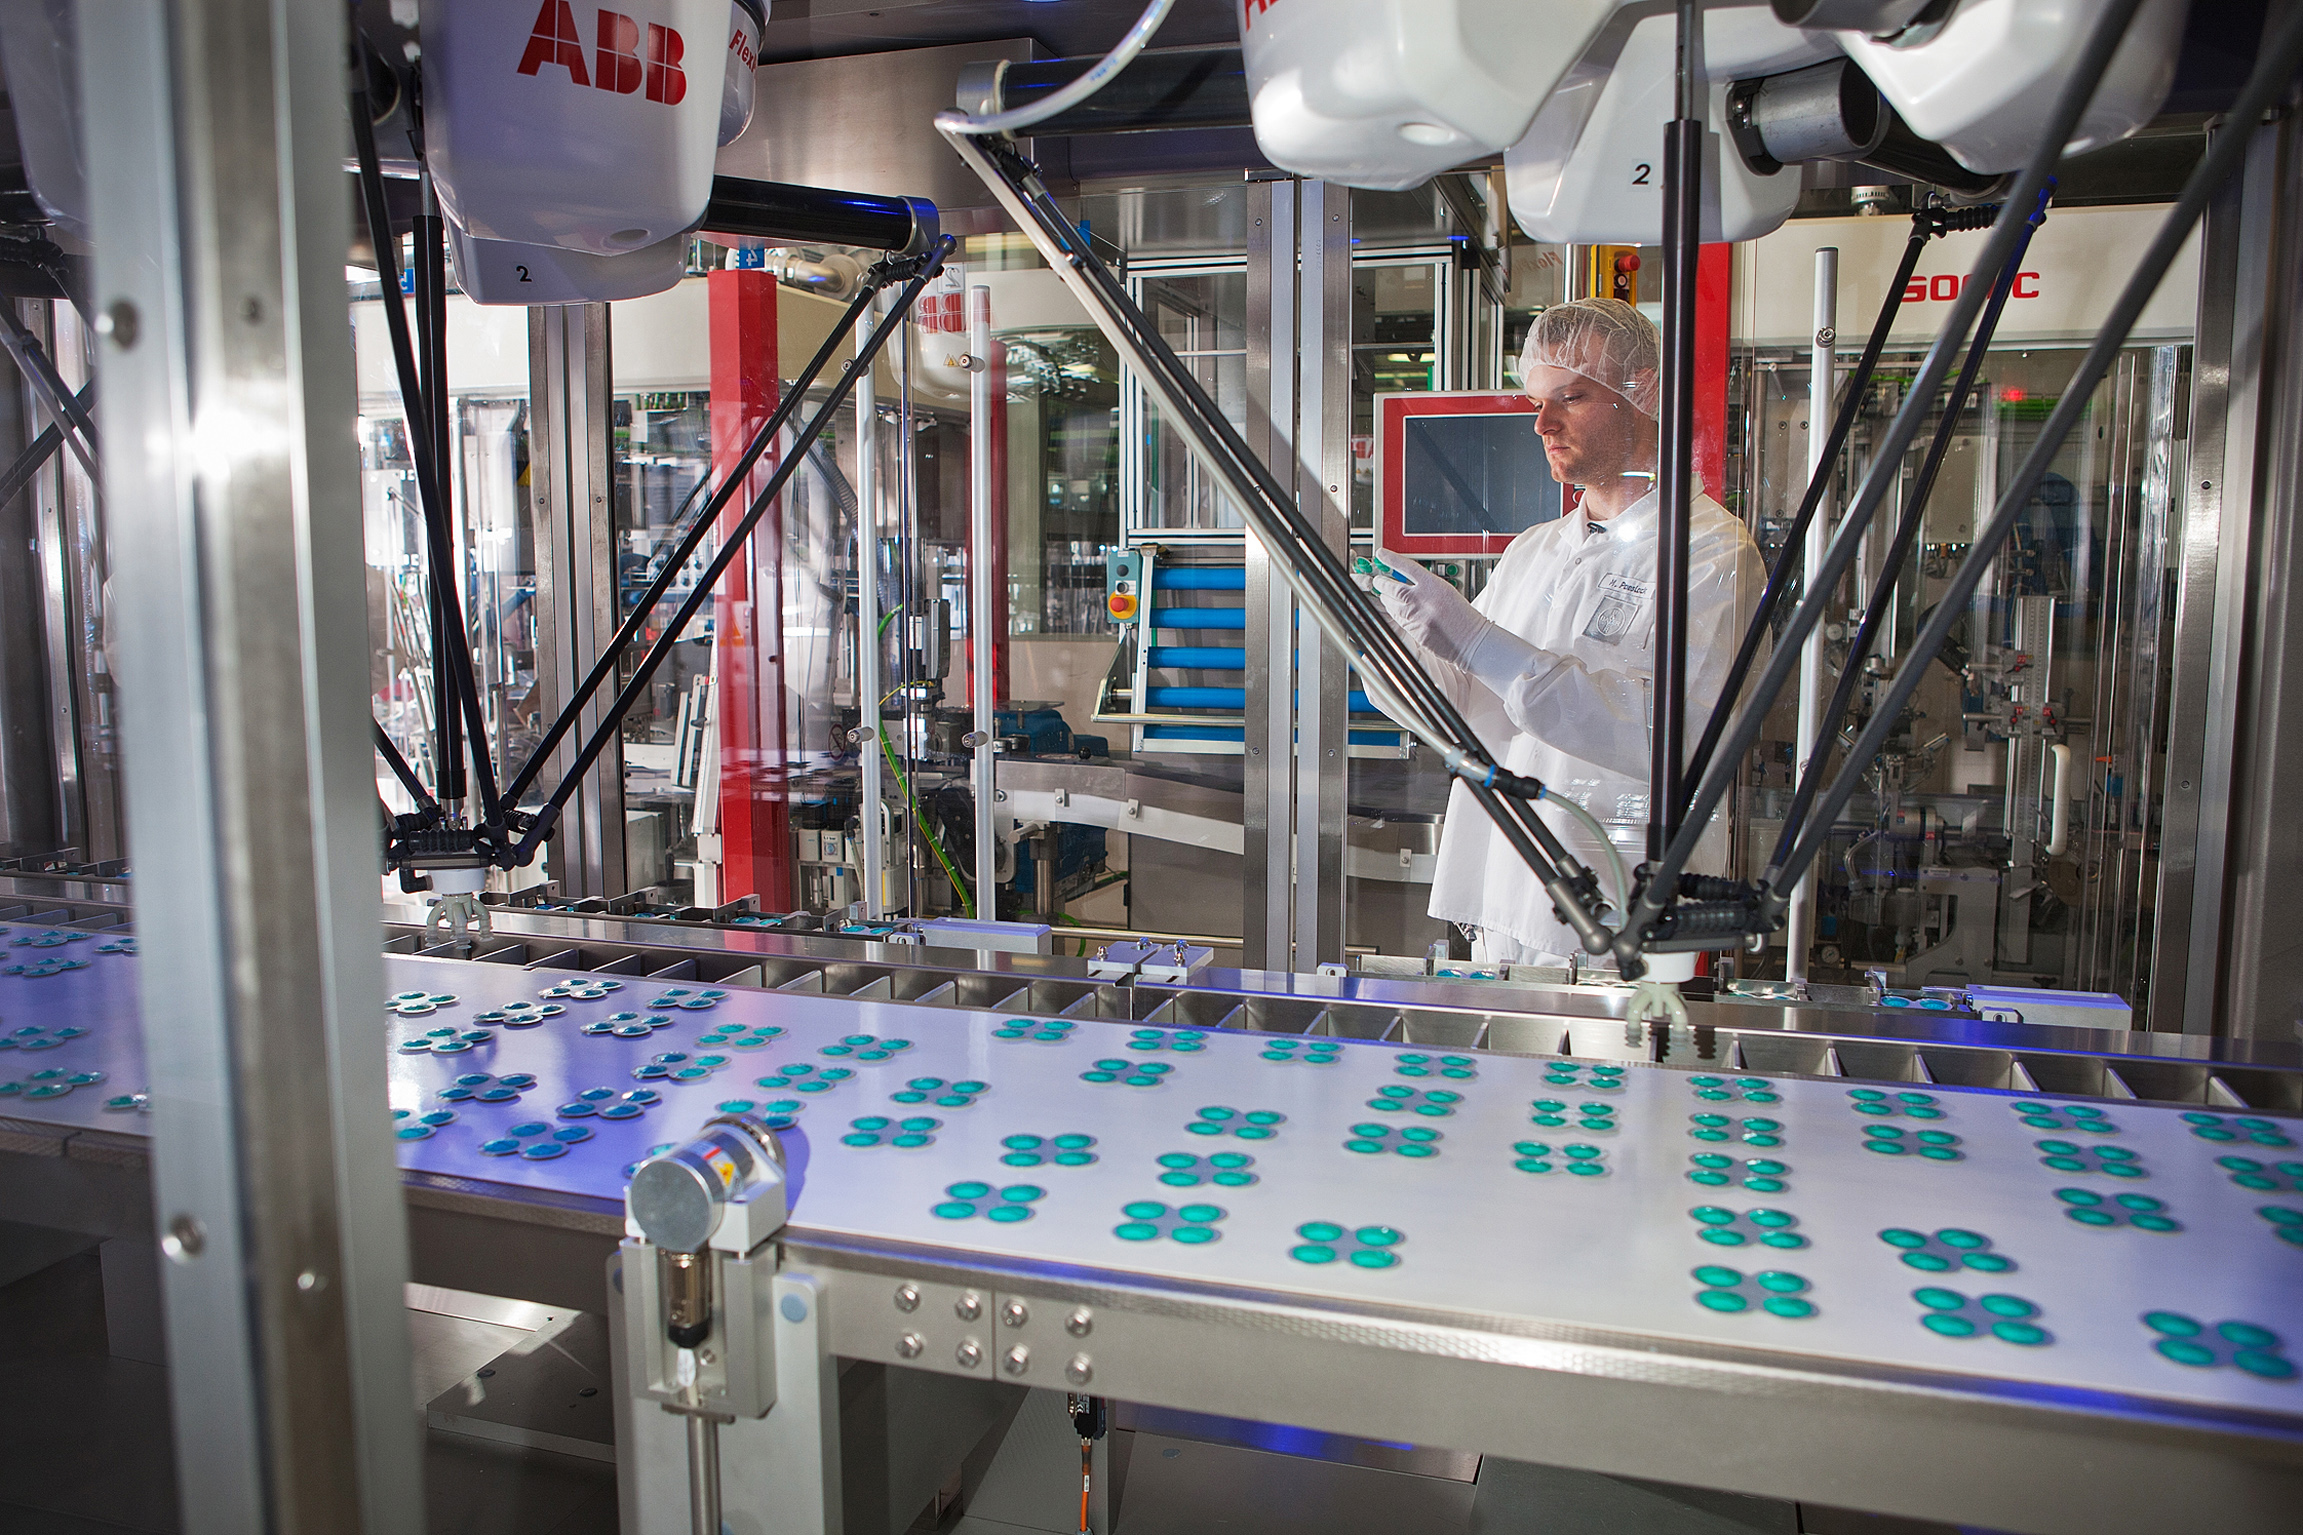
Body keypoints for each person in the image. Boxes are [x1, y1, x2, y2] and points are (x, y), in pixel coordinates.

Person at [1378, 297, 1760, 967]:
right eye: (1536, 402)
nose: (1542, 424)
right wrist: (1390, 644)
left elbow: (1677, 737)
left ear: (1641, 392)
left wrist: (1477, 643)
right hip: (1504, 894)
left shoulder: (1711, 553)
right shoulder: (1535, 548)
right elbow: (1464, 709)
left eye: (1570, 398)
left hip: (1621, 913)